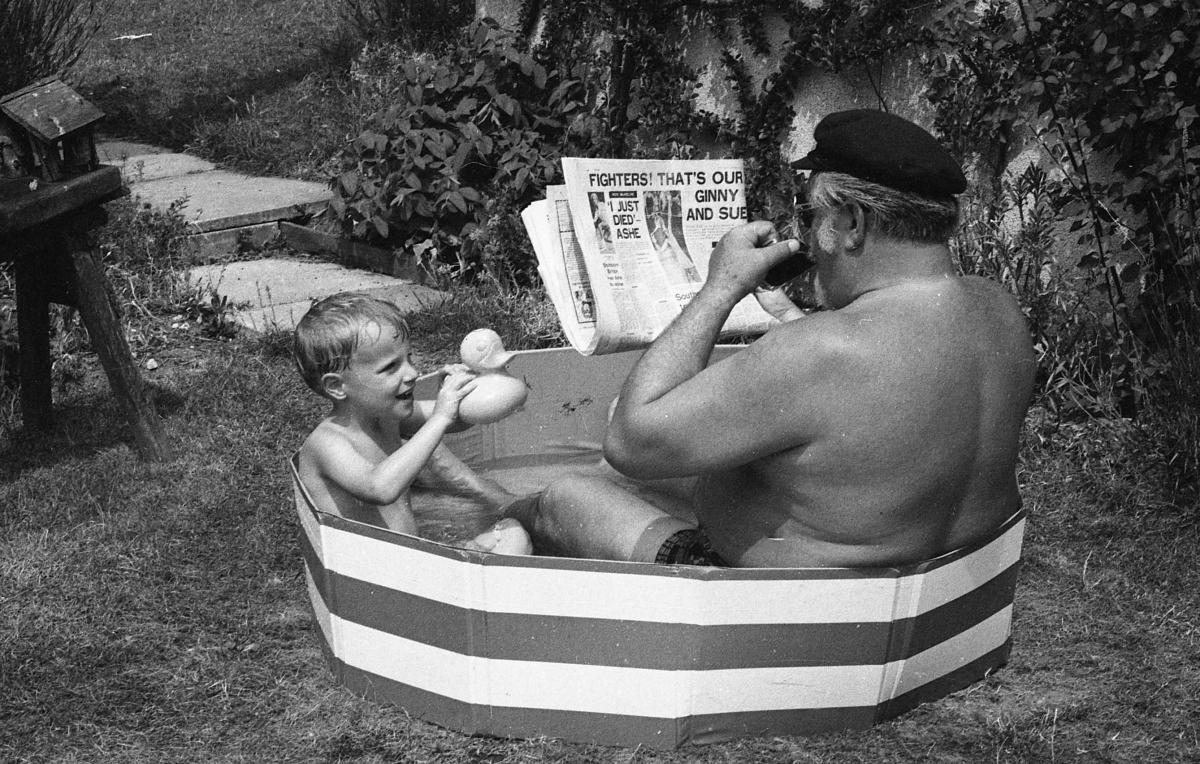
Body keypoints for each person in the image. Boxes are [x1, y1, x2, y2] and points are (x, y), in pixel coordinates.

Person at [504, 109, 1036, 567]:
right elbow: (886, 387)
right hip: (933, 583)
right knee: (685, 456)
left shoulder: (817, 353)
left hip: (793, 607)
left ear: (852, 222)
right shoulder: (999, 310)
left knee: (567, 497)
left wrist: (722, 287)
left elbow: (631, 442)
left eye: (810, 216)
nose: (807, 239)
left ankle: (475, 516)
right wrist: (790, 316)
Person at [293, 292, 532, 555]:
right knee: (513, 549)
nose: (412, 373)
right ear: (337, 386)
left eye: (409, 358)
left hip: (410, 558)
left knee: (512, 531)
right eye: (390, 367)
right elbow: (380, 488)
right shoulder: (328, 443)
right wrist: (440, 416)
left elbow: (458, 421)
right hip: (369, 574)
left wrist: (465, 391)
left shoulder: (388, 415)